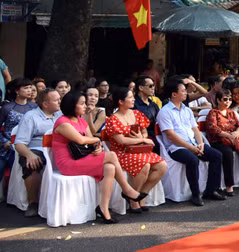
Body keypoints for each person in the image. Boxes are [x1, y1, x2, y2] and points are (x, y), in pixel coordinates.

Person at [53, 90, 146, 223]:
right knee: (112, 155)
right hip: (69, 163)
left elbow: (91, 139)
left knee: (110, 168)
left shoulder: (81, 121)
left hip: (83, 157)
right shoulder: (62, 122)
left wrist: (98, 147)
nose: (85, 106)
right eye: (82, 103)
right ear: (72, 105)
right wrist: (97, 141)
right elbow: (81, 140)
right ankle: (127, 189)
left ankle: (103, 208)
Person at [156, 76, 225, 207]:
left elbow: (195, 129)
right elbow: (171, 136)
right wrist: (190, 147)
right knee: (193, 160)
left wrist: (201, 144)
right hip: (176, 148)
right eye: (183, 91)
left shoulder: (187, 110)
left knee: (217, 155)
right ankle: (195, 194)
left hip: (193, 144)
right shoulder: (165, 112)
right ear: (174, 94)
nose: (186, 93)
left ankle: (211, 190)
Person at [105, 87, 166, 213]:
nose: (133, 99)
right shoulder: (113, 119)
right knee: (144, 165)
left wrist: (142, 137)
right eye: (130, 97)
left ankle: (141, 194)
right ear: (121, 101)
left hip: (139, 150)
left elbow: (144, 132)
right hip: (122, 152)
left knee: (162, 165)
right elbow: (121, 140)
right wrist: (142, 140)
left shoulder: (137, 114)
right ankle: (133, 199)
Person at [13, 89, 62, 217]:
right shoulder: (30, 117)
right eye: (56, 100)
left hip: (58, 149)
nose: (60, 102)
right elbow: (19, 143)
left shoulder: (60, 114)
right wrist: (29, 155)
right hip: (38, 149)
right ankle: (33, 203)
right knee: (31, 163)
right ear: (45, 104)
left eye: (59, 99)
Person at [207, 89, 239, 195]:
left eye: (230, 99)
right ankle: (229, 185)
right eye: (225, 99)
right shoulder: (213, 113)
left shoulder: (231, 112)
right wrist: (228, 135)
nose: (228, 102)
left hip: (233, 139)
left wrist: (236, 133)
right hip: (219, 141)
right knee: (227, 153)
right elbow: (213, 128)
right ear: (218, 100)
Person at [0, 79, 37, 184]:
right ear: (17, 91)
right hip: (6, 147)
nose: (29, 90)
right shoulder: (7, 108)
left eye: (30, 88)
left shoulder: (34, 107)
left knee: (18, 179)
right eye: (26, 88)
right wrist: (4, 141)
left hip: (25, 146)